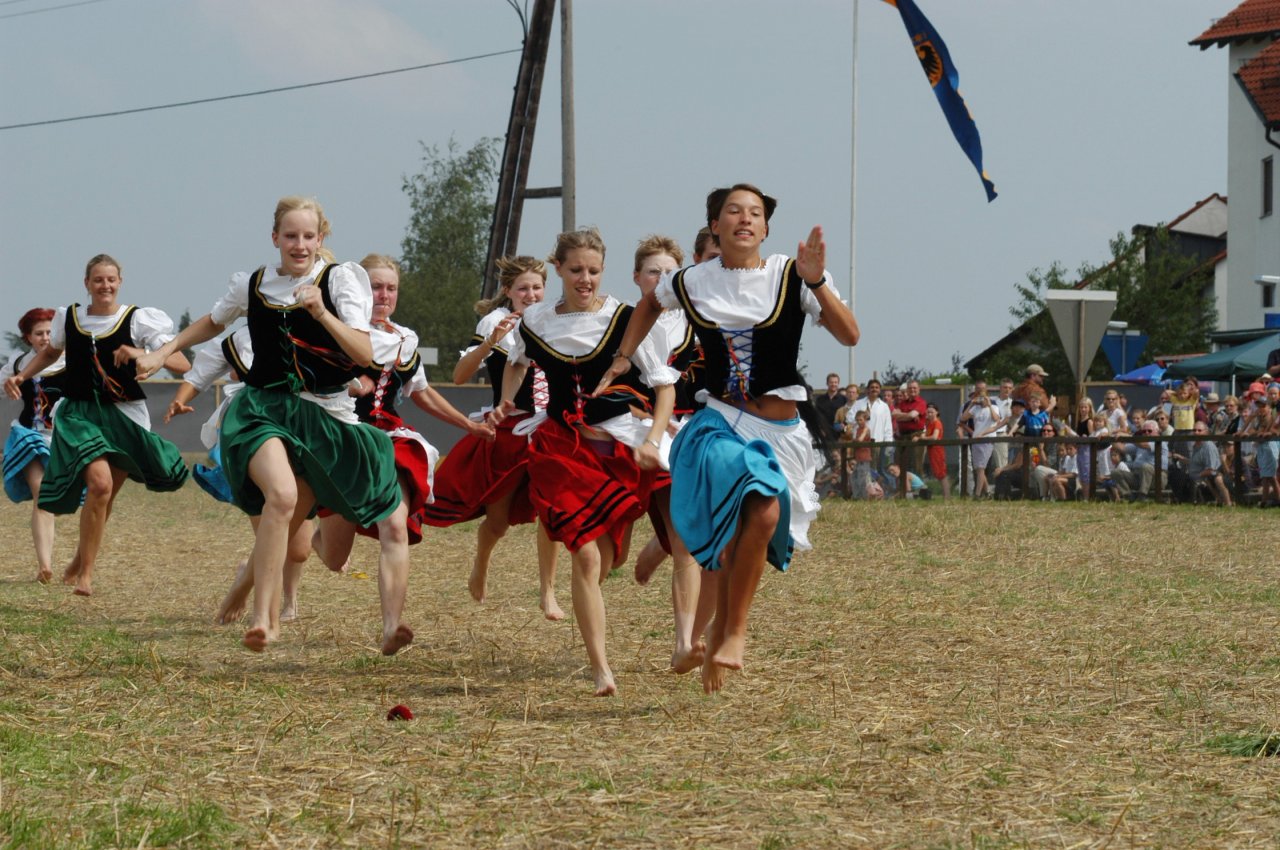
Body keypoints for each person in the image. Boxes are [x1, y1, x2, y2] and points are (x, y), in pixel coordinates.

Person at [596, 183, 859, 693]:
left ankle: (713, 634)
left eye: (755, 213)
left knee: (749, 527)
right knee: (750, 514)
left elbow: (849, 335)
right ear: (714, 225)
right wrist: (625, 354)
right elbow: (648, 304)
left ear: (766, 228)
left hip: (780, 430)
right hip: (719, 422)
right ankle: (729, 634)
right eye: (733, 212)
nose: (745, 219)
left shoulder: (791, 275)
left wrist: (819, 280)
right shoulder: (692, 280)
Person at [136, 196, 411, 655]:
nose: (299, 245)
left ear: (320, 240)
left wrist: (321, 312)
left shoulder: (340, 281)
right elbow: (210, 324)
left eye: (308, 236)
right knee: (280, 498)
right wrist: (164, 353)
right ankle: (264, 622)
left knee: (342, 536)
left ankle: (382, 624)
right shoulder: (254, 284)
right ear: (275, 239)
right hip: (263, 410)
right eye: (290, 236)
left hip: (323, 417)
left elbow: (364, 354)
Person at [492, 227, 678, 696]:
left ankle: (602, 641)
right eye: (576, 270)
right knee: (585, 555)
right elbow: (516, 358)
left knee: (608, 559)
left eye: (593, 270)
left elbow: (663, 385)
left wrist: (654, 438)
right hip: (559, 448)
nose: (585, 279)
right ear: (558, 269)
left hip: (616, 447)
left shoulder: (624, 318)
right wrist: (507, 400)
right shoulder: (535, 320)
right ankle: (601, 668)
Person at [309, 253, 495, 597]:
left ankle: (392, 625)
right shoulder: (338, 327)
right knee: (335, 559)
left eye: (391, 288)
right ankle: (313, 539)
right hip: (342, 434)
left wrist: (467, 426)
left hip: (387, 436)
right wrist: (345, 383)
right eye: (376, 286)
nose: (383, 295)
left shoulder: (404, 339)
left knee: (396, 522)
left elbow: (422, 394)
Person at [4, 255, 190, 596]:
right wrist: (22, 374)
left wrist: (140, 353)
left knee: (106, 494)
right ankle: (86, 576)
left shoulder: (138, 320)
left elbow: (179, 361)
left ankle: (79, 558)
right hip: (80, 413)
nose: (105, 286)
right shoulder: (68, 318)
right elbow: (48, 354)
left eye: (111, 280)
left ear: (120, 282)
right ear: (87, 283)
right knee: (99, 484)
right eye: (98, 280)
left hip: (125, 415)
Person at [423, 256, 562, 619]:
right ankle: (480, 564)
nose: (531, 294)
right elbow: (458, 375)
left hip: (549, 428)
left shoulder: (559, 319)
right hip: (508, 429)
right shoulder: (493, 322)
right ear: (508, 292)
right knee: (497, 521)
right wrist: (491, 342)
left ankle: (548, 591)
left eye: (537, 287)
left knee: (551, 512)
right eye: (523, 288)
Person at [165, 328, 315, 623]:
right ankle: (270, 615)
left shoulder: (311, 332)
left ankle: (248, 579)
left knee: (298, 550)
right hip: (251, 428)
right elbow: (197, 375)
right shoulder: (234, 340)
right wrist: (179, 399)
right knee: (270, 525)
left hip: (301, 427)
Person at [1, 308, 67, 582]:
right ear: (28, 337)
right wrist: (7, 384)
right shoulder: (18, 364)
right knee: (42, 494)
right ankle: (45, 565)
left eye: (50, 332)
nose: (45, 337)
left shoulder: (71, 360)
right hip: (29, 435)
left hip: (64, 439)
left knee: (59, 497)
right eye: (39, 333)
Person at [892, 379, 927, 474]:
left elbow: (911, 415)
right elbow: (895, 415)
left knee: (916, 465)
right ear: (907, 390)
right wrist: (908, 416)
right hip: (902, 436)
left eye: (914, 388)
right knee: (900, 463)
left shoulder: (921, 403)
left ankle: (918, 488)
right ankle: (902, 487)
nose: (912, 390)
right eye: (910, 388)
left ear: (919, 389)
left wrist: (904, 415)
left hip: (915, 436)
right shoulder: (902, 403)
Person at [922, 402, 949, 498]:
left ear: (937, 412)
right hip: (931, 450)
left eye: (932, 412)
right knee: (938, 473)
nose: (929, 414)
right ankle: (945, 496)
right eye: (928, 412)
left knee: (941, 473)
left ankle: (947, 497)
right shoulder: (928, 423)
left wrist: (922, 438)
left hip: (937, 449)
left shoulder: (937, 423)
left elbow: (934, 437)